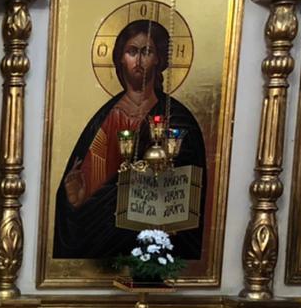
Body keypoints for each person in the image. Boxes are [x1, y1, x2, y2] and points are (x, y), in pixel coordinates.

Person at [52, 19, 208, 262]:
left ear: (158, 59)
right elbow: (86, 183)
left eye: (147, 51)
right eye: (132, 51)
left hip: (148, 242)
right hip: (100, 244)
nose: (139, 60)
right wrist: (76, 199)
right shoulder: (106, 117)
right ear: (120, 59)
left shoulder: (176, 118)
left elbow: (183, 186)